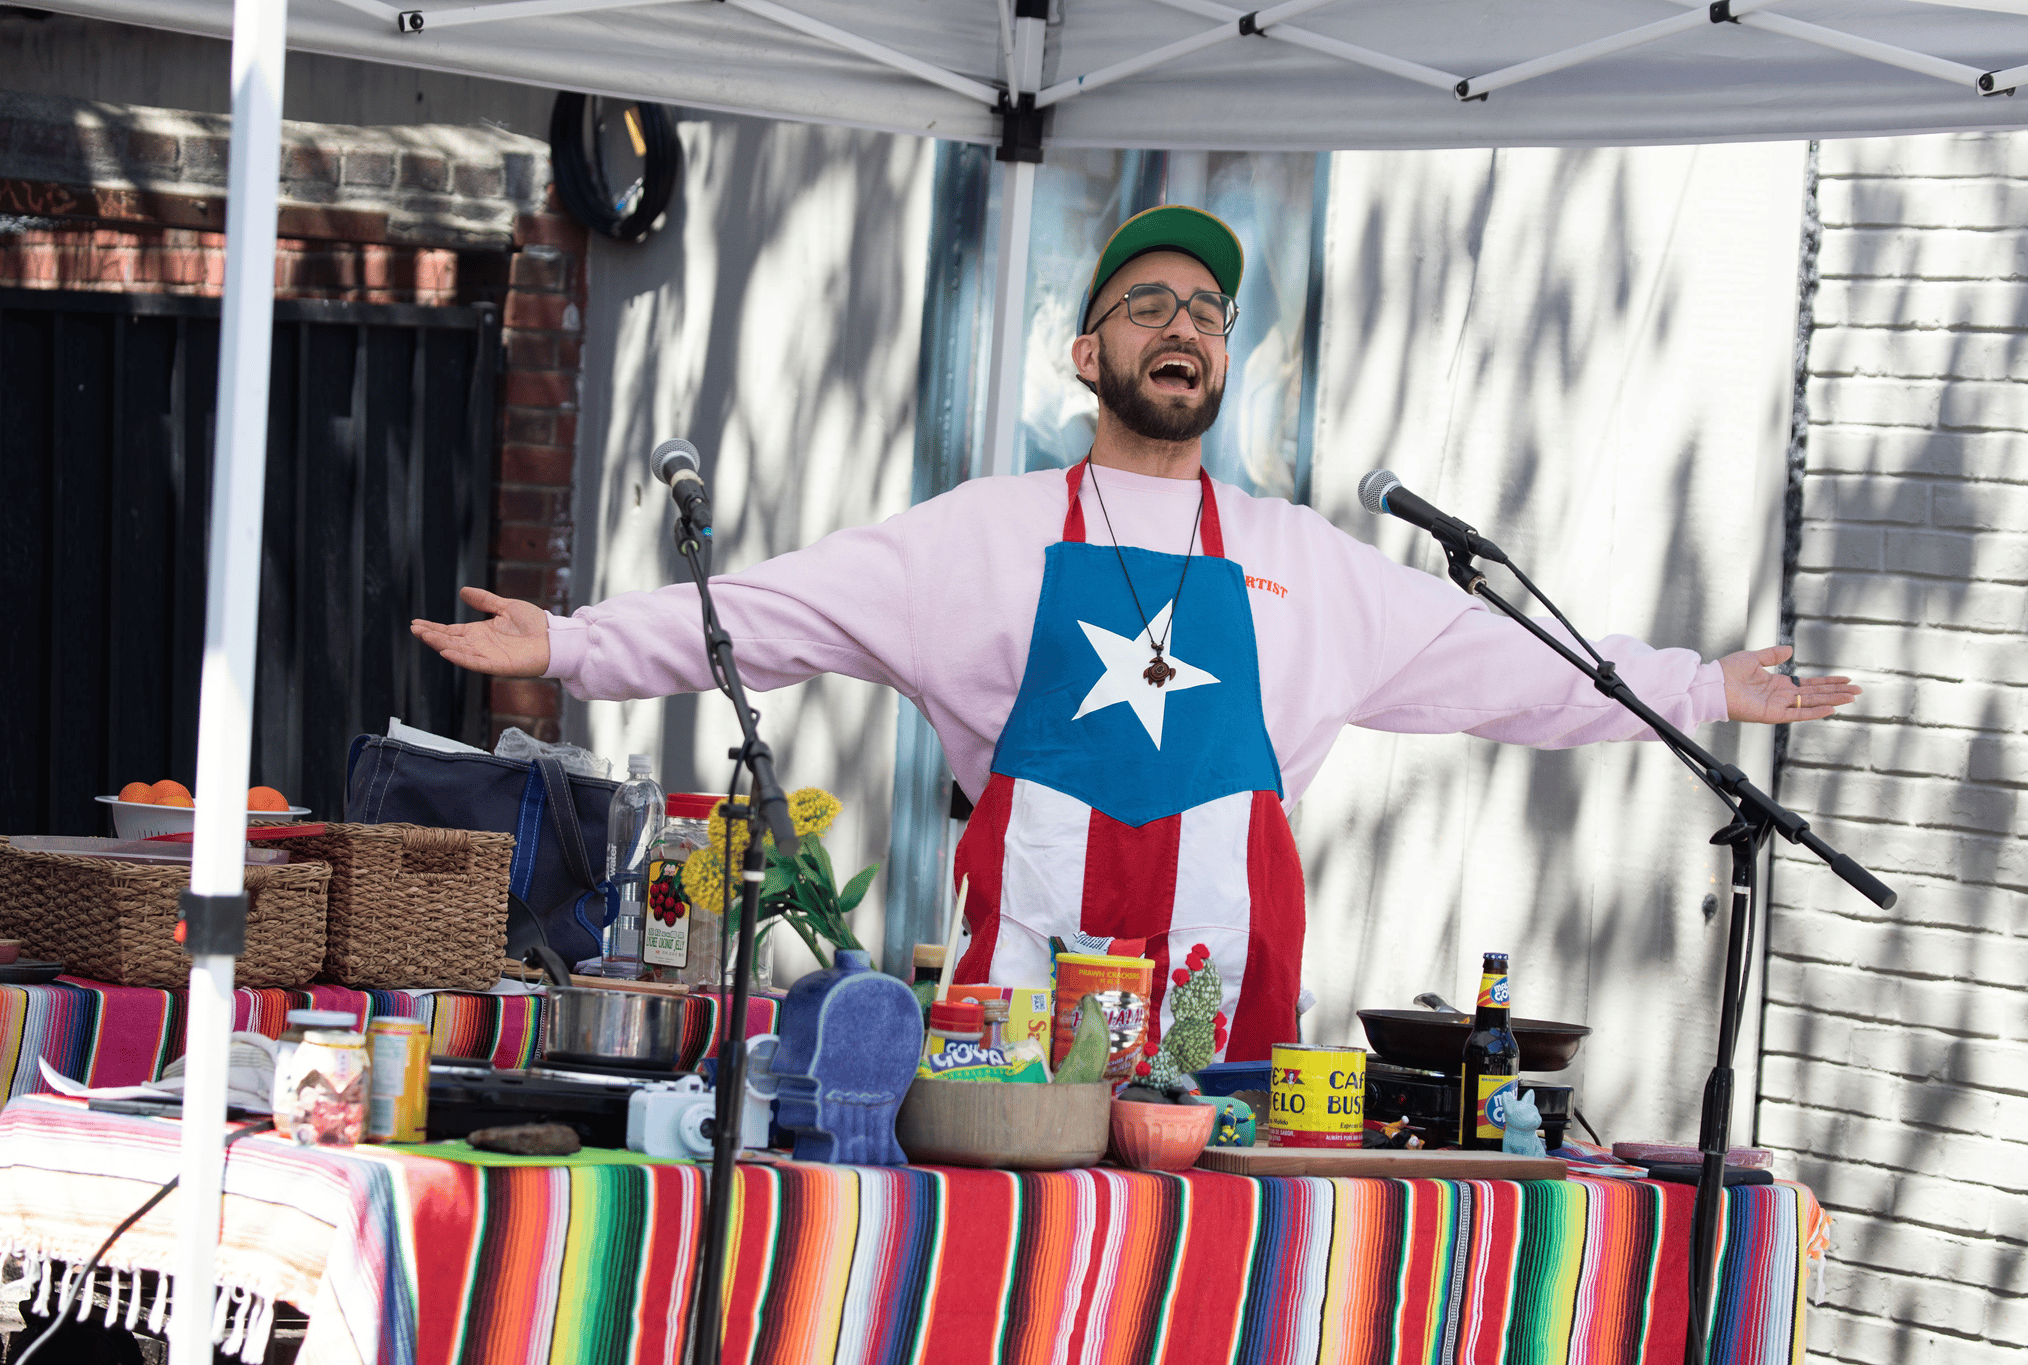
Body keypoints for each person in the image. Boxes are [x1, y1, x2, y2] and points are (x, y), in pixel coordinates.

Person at [414, 205, 1857, 1059]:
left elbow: (1515, 672)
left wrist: (1704, 688)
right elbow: (774, 616)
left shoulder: (1309, 561)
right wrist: (572, 648)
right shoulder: (982, 530)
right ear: (1084, 354)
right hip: (1014, 1050)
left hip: (1227, 1062)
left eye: (1211, 312)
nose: (1185, 327)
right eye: (1149, 304)